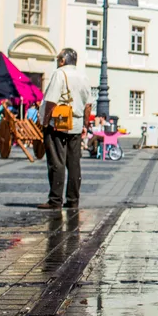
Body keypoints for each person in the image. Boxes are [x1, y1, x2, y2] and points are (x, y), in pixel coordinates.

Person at [38, 48, 93, 210]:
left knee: (56, 162)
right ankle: (73, 199)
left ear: (62, 61)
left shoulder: (59, 74)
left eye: (58, 59)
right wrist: (85, 124)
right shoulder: (83, 76)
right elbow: (88, 105)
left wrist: (46, 121)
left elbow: (51, 100)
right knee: (74, 163)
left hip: (58, 124)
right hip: (75, 125)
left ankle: (55, 200)